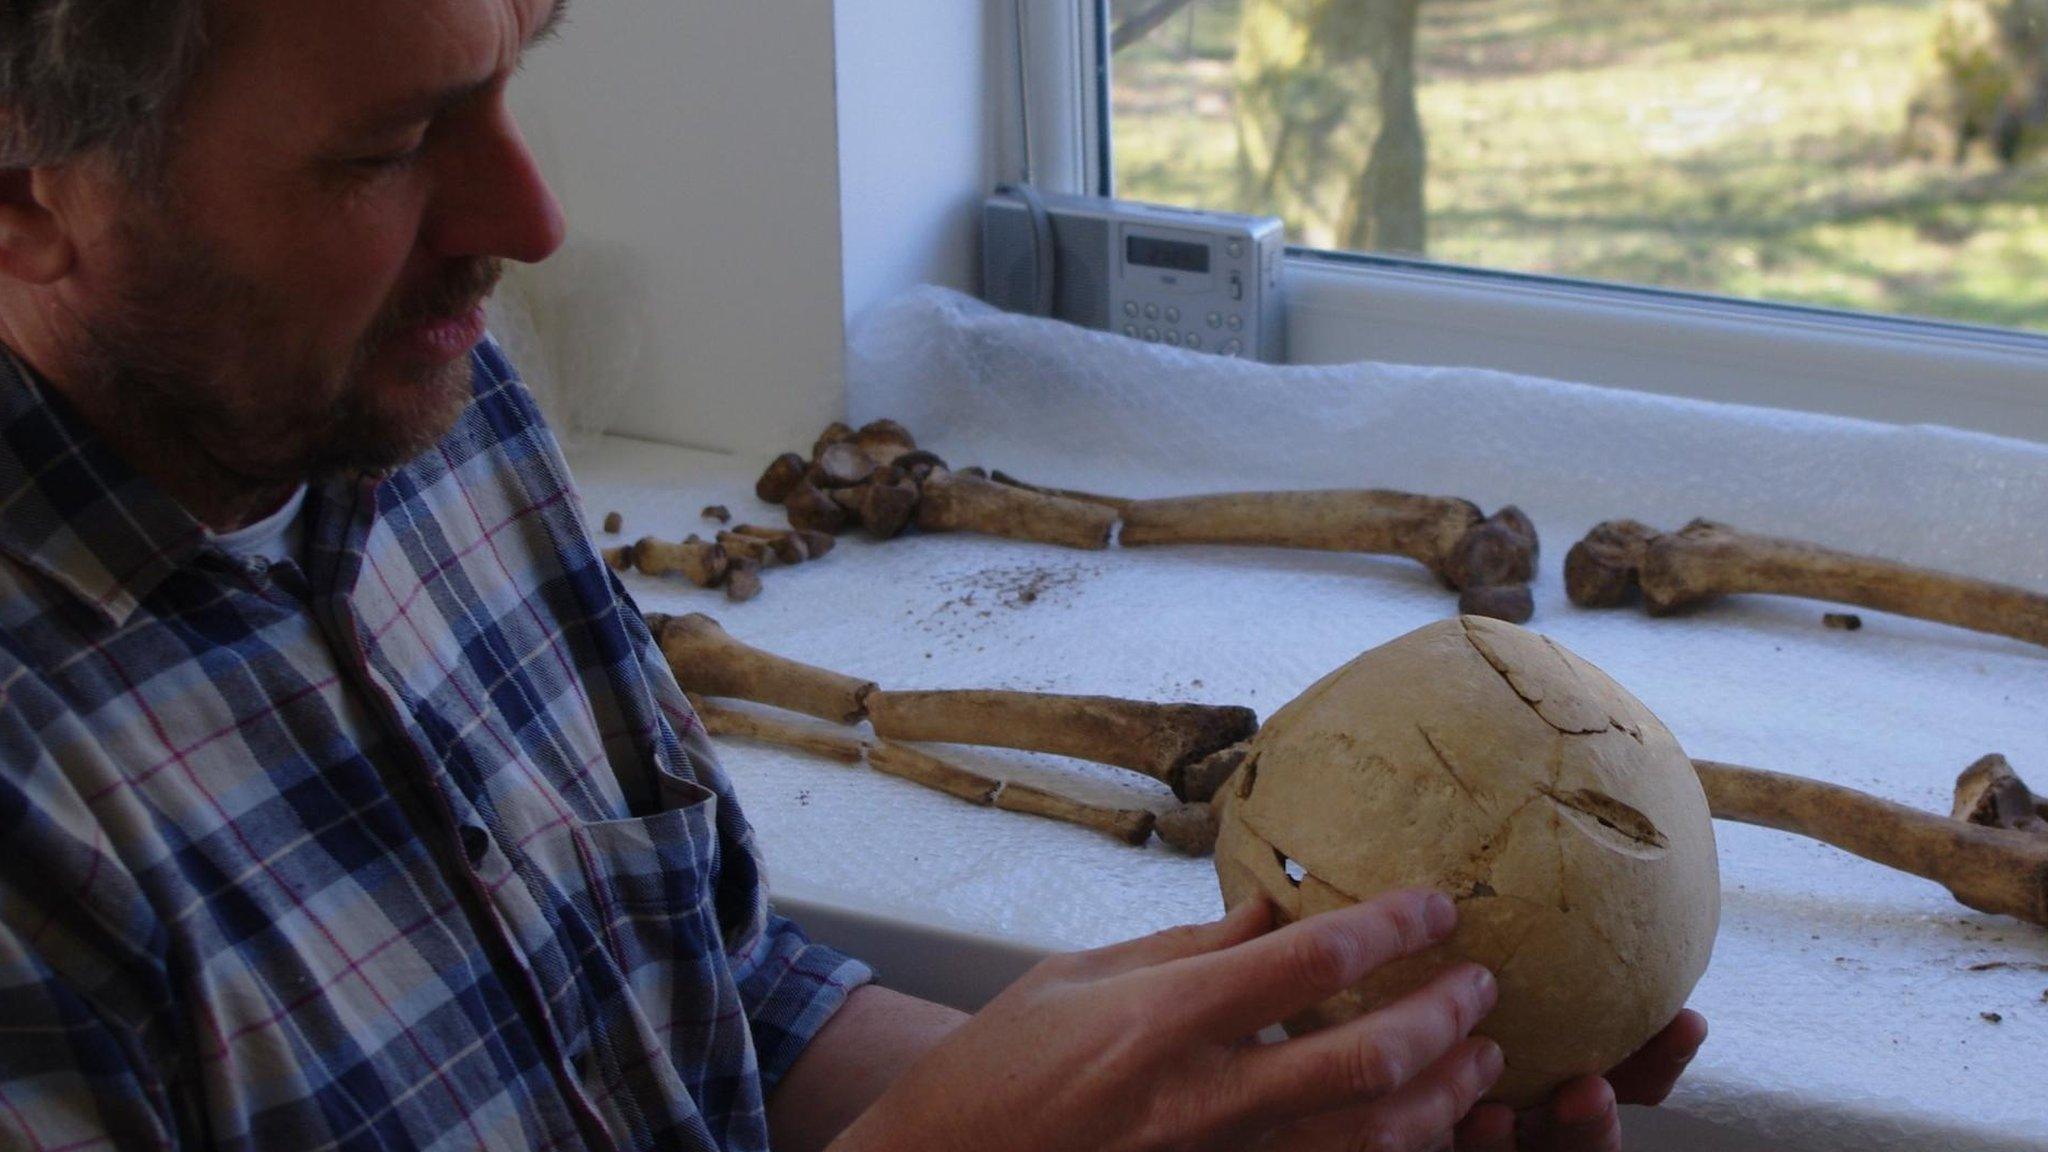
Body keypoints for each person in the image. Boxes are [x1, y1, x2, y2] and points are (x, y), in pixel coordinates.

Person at [0, 0, 1706, 1148]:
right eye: (387, 148)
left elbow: (704, 995)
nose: (528, 218)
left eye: (520, 64)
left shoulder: (411, 401)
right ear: (28, 191)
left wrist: (1213, 1084)